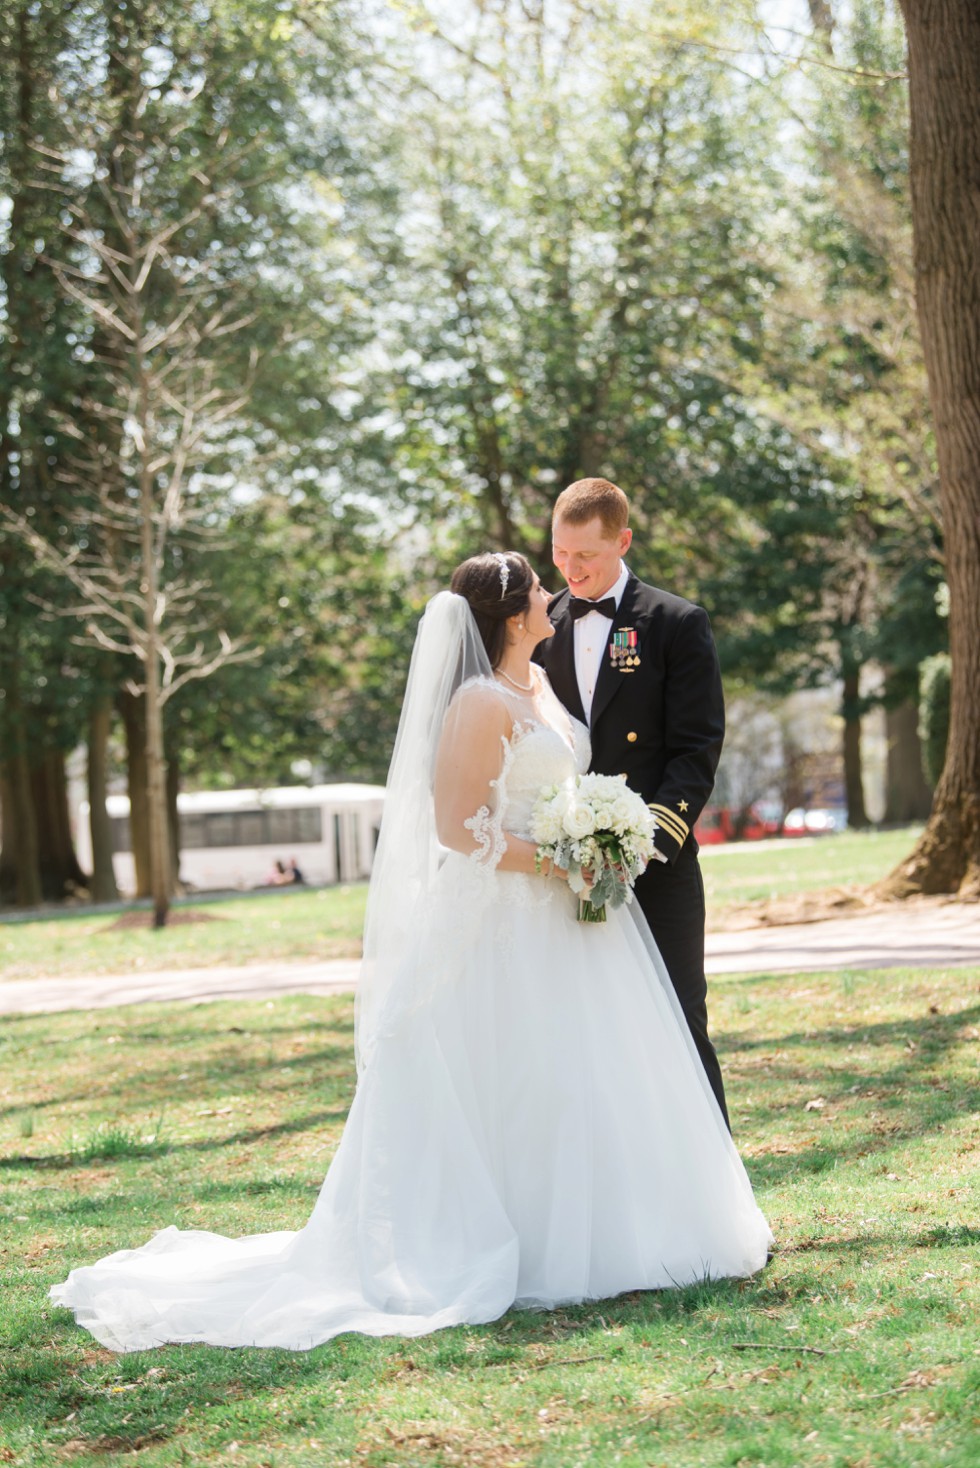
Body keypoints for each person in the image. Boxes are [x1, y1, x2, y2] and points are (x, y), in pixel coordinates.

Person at [49, 552, 770, 1353]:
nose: (550, 595)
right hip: (505, 919)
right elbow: (458, 829)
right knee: (510, 1076)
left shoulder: (541, 689)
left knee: (585, 1073)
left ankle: (611, 1229)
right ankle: (511, 1240)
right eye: (537, 587)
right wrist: (561, 860)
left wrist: (592, 841)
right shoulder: (477, 701)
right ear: (508, 614)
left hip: (572, 922)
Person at [536, 479, 730, 1125]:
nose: (570, 569)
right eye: (560, 554)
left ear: (622, 541)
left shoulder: (675, 622)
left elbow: (695, 748)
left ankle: (715, 1182)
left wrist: (645, 841)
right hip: (565, 865)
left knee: (678, 1015)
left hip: (658, 862)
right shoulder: (541, 627)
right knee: (586, 1029)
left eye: (584, 555)